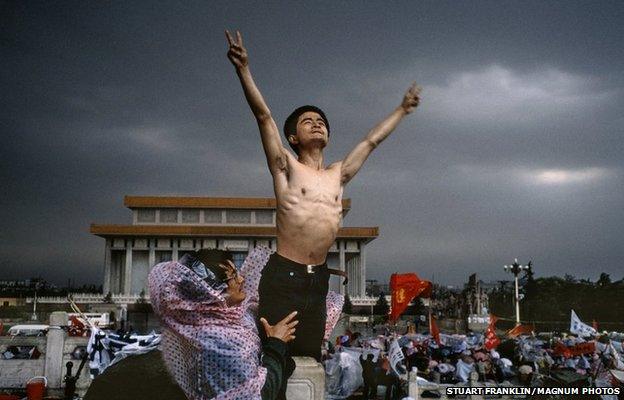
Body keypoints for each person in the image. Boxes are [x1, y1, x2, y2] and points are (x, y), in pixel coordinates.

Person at [225, 30, 422, 366]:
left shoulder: (338, 175)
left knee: (309, 361)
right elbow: (264, 117)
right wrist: (244, 69)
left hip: (317, 278)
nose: (316, 124)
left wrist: (402, 110)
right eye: (307, 122)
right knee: (273, 358)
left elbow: (371, 141)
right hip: (284, 275)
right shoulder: (285, 167)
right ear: (292, 136)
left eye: (321, 122)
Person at [147, 248, 298, 400]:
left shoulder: (214, 320)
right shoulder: (218, 340)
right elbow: (256, 396)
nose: (241, 280)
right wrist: (276, 346)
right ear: (210, 291)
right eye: (233, 277)